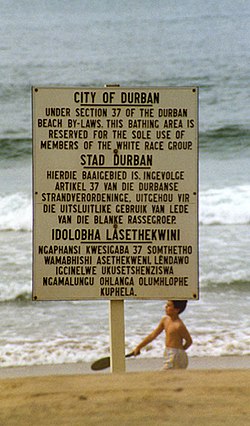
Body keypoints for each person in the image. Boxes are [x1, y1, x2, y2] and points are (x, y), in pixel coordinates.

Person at [133, 300, 192, 370]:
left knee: (164, 375)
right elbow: (153, 335)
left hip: (176, 355)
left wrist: (180, 351)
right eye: (166, 305)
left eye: (169, 305)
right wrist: (139, 347)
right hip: (168, 352)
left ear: (176, 310)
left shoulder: (179, 325)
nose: (166, 307)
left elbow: (189, 341)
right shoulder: (165, 320)